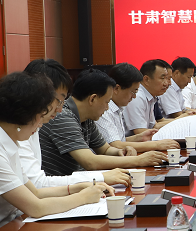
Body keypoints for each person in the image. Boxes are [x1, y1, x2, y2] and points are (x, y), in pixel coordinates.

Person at [0, 73, 112, 227]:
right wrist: (83, 197)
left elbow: (35, 192)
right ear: (23, 115)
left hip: (10, 225)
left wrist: (78, 187)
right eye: (40, 116)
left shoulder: (8, 140)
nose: (41, 124)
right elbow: (36, 208)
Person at [22, 58, 130, 189]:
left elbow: (36, 189)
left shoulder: (34, 125)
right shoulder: (59, 117)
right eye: (58, 100)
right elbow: (38, 186)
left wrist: (120, 154)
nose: (59, 109)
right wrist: (100, 178)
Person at [40, 69, 167, 176]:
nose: (107, 108)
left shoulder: (87, 117)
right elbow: (90, 162)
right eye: (107, 102)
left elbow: (105, 149)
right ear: (93, 99)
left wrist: (120, 152)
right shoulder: (63, 117)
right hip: (62, 187)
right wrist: (138, 160)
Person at [97, 62, 180, 152]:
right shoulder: (104, 110)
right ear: (117, 89)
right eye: (133, 92)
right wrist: (156, 145)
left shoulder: (118, 107)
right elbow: (115, 145)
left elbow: (119, 140)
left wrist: (140, 137)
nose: (134, 96)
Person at [124, 59, 172, 135]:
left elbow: (153, 126)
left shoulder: (150, 97)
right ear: (146, 79)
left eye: (167, 78)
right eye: (162, 78)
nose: (166, 83)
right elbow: (140, 132)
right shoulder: (137, 97)